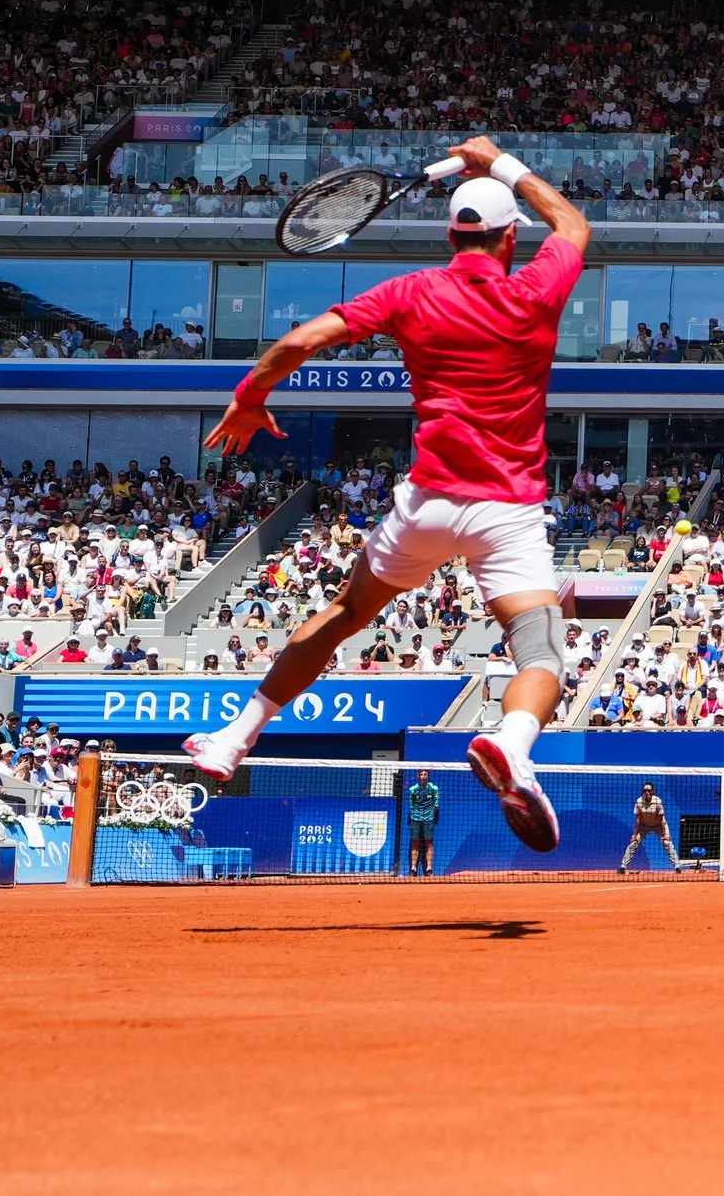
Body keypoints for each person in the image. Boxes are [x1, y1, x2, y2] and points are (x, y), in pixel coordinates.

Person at [184, 136, 591, 853]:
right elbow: (573, 225)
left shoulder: (410, 291)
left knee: (344, 613)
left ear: (451, 234)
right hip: (508, 508)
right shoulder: (539, 287)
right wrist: (499, 161)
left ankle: (232, 738)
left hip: (427, 502)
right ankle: (514, 742)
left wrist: (250, 395)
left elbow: (307, 337)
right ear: (508, 240)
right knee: (540, 648)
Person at [618, 782, 682, 874]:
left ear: (652, 791)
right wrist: (634, 835)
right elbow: (638, 820)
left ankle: (677, 867)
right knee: (633, 844)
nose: (647, 792)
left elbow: (661, 819)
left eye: (649, 790)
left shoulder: (658, 801)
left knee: (667, 843)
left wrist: (665, 834)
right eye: (645, 790)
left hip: (659, 825)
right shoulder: (639, 801)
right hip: (644, 826)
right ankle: (623, 867)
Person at [403, 768, 441, 876]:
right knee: (415, 843)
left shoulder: (434, 789)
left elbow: (436, 806)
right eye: (421, 774)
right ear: (418, 776)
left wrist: (428, 816)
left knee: (429, 843)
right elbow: (412, 806)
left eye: (425, 774)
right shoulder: (412, 789)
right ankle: (413, 869)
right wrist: (417, 816)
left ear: (428, 776)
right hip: (415, 819)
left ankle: (429, 869)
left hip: (429, 820)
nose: (423, 776)